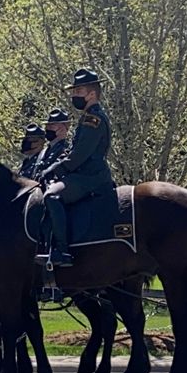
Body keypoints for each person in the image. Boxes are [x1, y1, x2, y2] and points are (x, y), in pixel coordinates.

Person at [37, 68, 115, 268]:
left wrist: (55, 170)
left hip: (91, 177)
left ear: (91, 94)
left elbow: (79, 155)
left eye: (78, 92)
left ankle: (62, 250)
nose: (73, 96)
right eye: (73, 92)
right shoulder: (87, 117)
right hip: (84, 174)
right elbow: (72, 151)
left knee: (51, 196)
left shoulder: (93, 119)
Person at [38, 107, 72, 175]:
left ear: (62, 128)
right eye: (47, 125)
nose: (47, 128)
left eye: (52, 126)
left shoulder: (66, 150)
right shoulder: (44, 152)